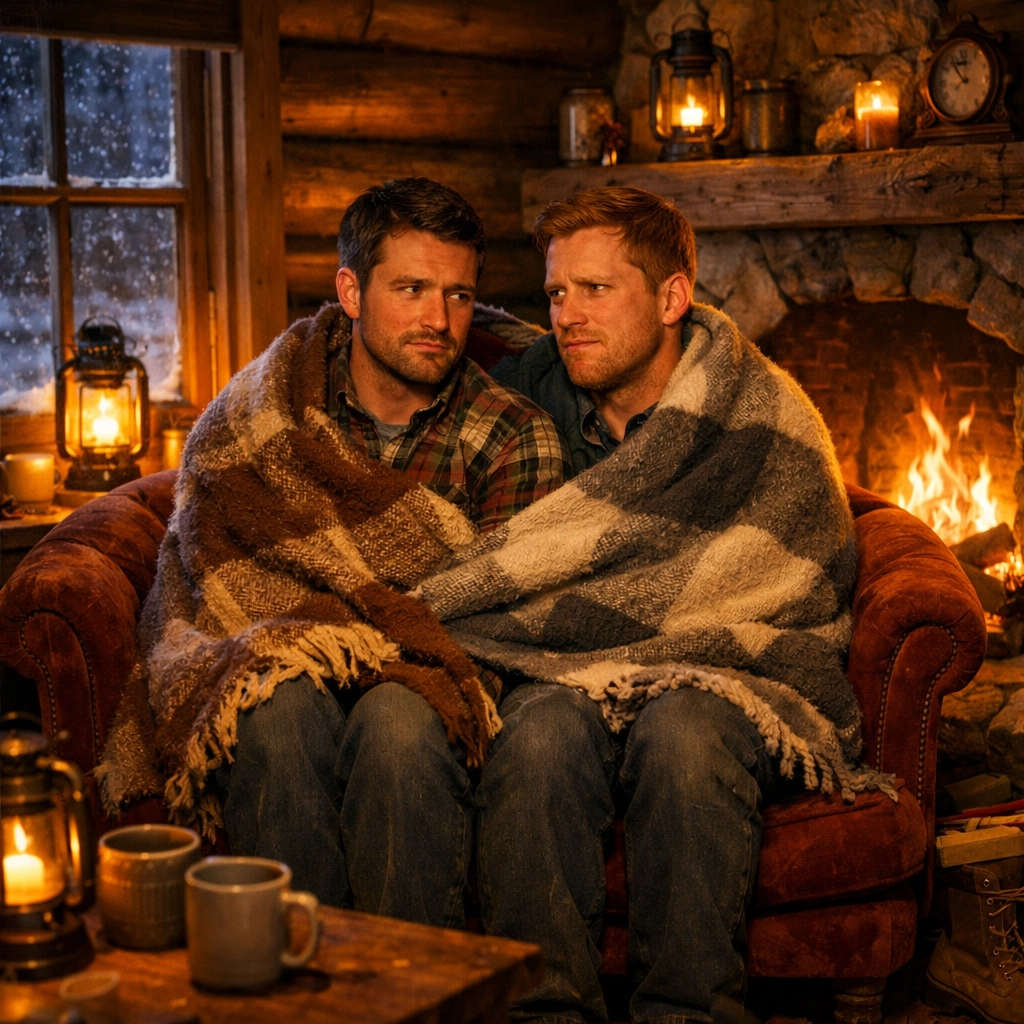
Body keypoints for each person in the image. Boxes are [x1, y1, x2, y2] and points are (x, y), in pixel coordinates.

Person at [414, 186, 878, 1024]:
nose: (569, 316)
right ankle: (544, 1014)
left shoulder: (758, 408)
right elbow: (488, 557)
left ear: (671, 298)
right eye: (558, 293)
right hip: (564, 663)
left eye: (597, 289)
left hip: (726, 663)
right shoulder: (524, 398)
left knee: (685, 733)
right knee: (535, 737)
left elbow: (796, 569)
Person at [213, 177, 570, 913]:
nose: (439, 319)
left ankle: (410, 974)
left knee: (398, 723)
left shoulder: (512, 434)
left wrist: (378, 646)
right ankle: (291, 964)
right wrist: (325, 637)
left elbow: (498, 619)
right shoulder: (280, 408)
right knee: (274, 712)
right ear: (351, 291)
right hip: (297, 646)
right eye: (411, 289)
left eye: (459, 295)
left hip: (436, 667)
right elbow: (233, 560)